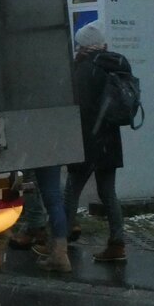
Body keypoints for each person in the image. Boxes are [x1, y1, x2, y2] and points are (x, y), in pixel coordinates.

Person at [65, 20, 130, 262]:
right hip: (110, 140)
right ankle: (117, 243)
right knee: (108, 194)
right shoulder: (114, 65)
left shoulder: (83, 70)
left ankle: (61, 239)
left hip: (85, 140)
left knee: (71, 191)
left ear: (82, 45)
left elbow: (79, 108)